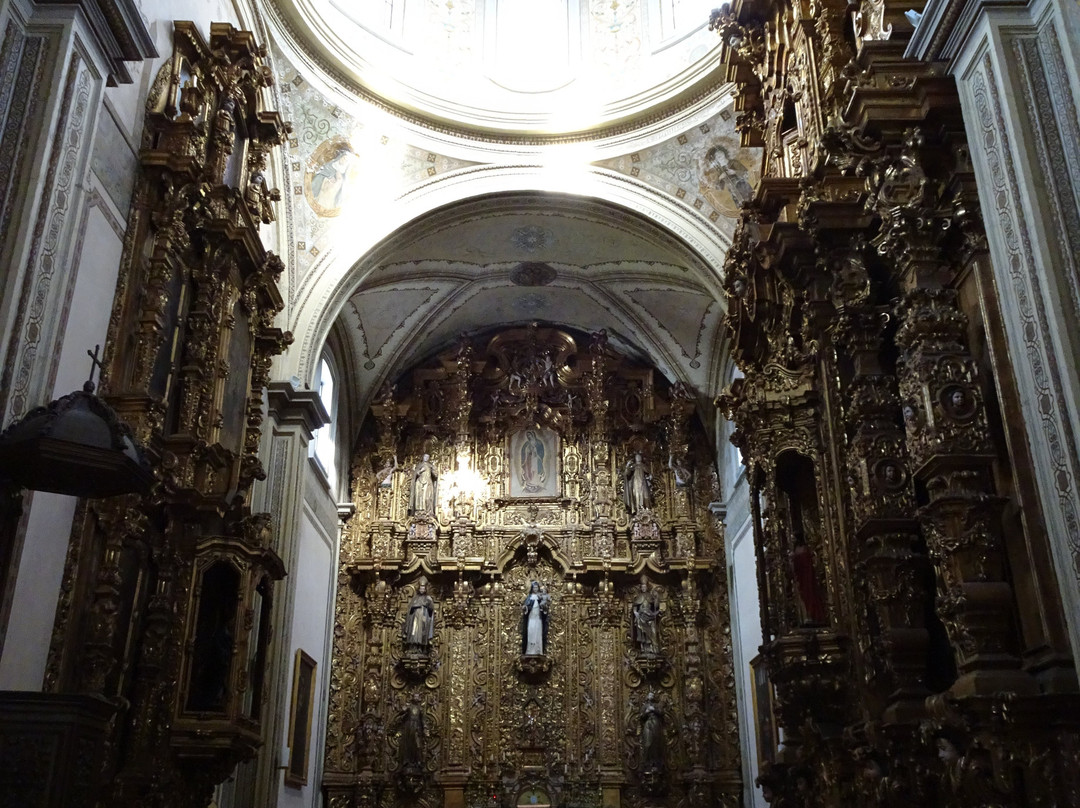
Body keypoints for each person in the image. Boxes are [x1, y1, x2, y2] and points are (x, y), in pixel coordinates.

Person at [631, 576, 661, 654]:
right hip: (641, 616)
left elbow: (655, 606)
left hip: (650, 616)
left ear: (647, 588)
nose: (643, 588)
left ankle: (653, 647)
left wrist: (656, 598)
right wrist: (636, 613)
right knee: (641, 629)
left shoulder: (650, 596)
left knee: (653, 630)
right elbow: (635, 607)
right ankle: (643, 647)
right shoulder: (639, 597)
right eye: (642, 587)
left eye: (645, 587)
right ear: (641, 588)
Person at [402, 578, 434, 650]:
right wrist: (414, 607)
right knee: (414, 632)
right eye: (421, 588)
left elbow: (431, 610)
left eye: (423, 588)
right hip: (415, 618)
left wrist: (427, 606)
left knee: (422, 633)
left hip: (423, 619)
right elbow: (410, 609)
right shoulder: (415, 598)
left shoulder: (428, 598)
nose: (422, 590)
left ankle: (421, 648)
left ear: (425, 589)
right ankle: (413, 646)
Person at [520, 580, 549, 655]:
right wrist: (525, 608)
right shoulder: (529, 598)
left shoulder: (540, 597)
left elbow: (545, 609)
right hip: (531, 618)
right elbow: (526, 607)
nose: (535, 589)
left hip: (538, 618)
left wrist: (544, 607)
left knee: (538, 633)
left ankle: (538, 650)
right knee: (531, 632)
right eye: (534, 587)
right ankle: (530, 650)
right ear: (532, 588)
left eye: (536, 587)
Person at [640, 692, 664, 769]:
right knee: (648, 743)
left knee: (656, 742)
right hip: (648, 724)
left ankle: (656, 762)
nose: (651, 696)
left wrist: (654, 710)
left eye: (652, 695)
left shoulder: (656, 705)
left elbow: (661, 713)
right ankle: (647, 762)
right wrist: (647, 712)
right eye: (650, 695)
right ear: (647, 697)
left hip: (655, 724)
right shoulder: (644, 706)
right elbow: (641, 716)